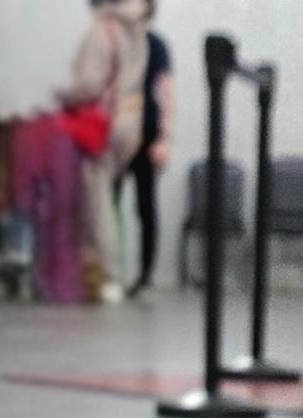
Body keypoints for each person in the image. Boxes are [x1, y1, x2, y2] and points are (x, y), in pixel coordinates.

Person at [59, 0, 147, 304]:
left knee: (96, 204)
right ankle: (100, 273)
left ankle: (106, 276)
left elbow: (90, 84)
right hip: (128, 123)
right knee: (106, 199)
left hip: (101, 123)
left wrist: (63, 94)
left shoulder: (101, 31)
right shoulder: (137, 32)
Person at [127, 0, 174, 299]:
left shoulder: (155, 44)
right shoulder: (112, 42)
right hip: (115, 134)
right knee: (107, 204)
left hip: (146, 133)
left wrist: (164, 139)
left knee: (145, 207)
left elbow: (167, 91)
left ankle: (145, 275)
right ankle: (106, 271)